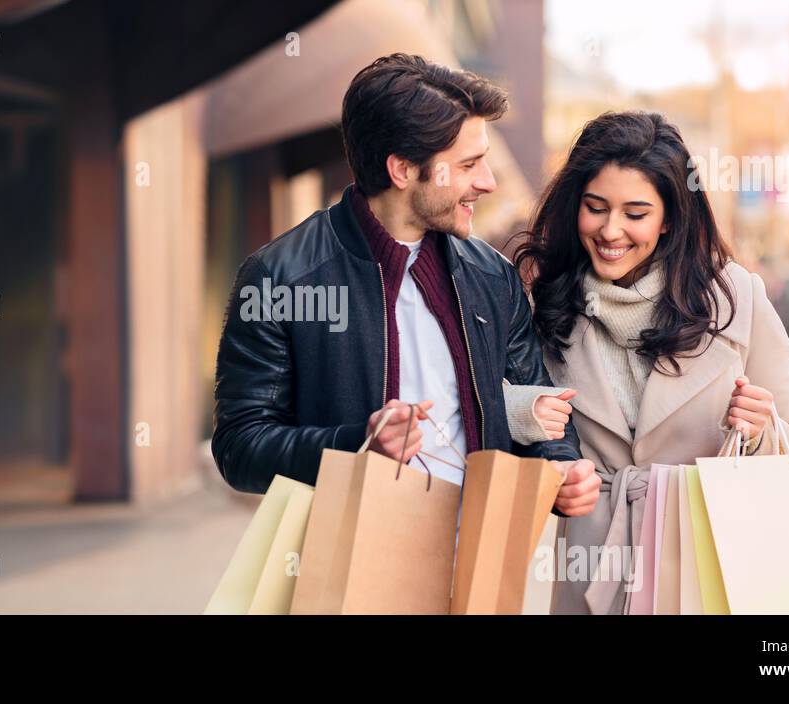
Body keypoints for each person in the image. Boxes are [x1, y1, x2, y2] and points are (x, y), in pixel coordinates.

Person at [211, 53, 600, 518]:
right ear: (401, 170)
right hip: (347, 561)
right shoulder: (282, 278)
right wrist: (356, 444)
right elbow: (241, 448)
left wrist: (561, 470)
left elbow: (537, 404)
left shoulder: (493, 277)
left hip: (479, 557)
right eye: (469, 164)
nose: (488, 182)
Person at [512, 111, 789, 614]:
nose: (611, 230)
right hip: (592, 575)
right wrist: (554, 479)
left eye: (635, 214)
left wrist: (764, 429)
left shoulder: (735, 298)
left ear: (669, 218)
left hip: (707, 571)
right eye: (596, 208)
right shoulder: (544, 303)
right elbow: (513, 441)